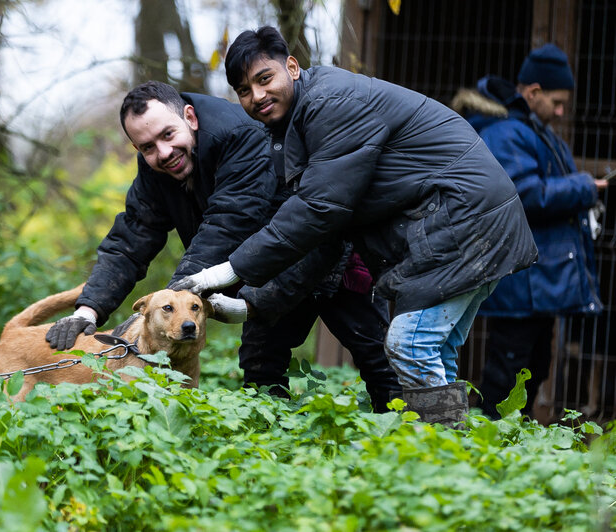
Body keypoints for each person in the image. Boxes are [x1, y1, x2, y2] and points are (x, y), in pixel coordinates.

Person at [171, 26, 538, 426]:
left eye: (265, 79)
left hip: (466, 220)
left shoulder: (332, 103)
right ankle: (452, 453)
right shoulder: (292, 129)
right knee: (432, 350)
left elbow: (316, 211)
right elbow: (323, 238)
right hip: (464, 221)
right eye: (244, 90)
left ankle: (444, 455)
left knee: (408, 345)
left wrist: (228, 271)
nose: (257, 96)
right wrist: (252, 305)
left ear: (291, 67)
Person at [45, 80, 401, 410]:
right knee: (261, 366)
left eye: (168, 134)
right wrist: (87, 310)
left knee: (378, 357)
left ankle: (416, 441)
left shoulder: (238, 135)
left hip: (323, 257)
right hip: (264, 272)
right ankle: (270, 457)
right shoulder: (155, 171)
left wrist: (173, 301)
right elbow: (130, 240)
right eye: (148, 147)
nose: (163, 152)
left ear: (189, 117)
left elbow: (228, 223)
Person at [451, 44, 606, 419]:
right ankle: (487, 443)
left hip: (535, 279)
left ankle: (506, 444)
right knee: (508, 372)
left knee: (530, 366)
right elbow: (524, 193)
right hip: (520, 278)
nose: (560, 110)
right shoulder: (507, 131)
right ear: (533, 91)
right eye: (556, 101)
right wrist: (585, 188)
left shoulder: (532, 129)